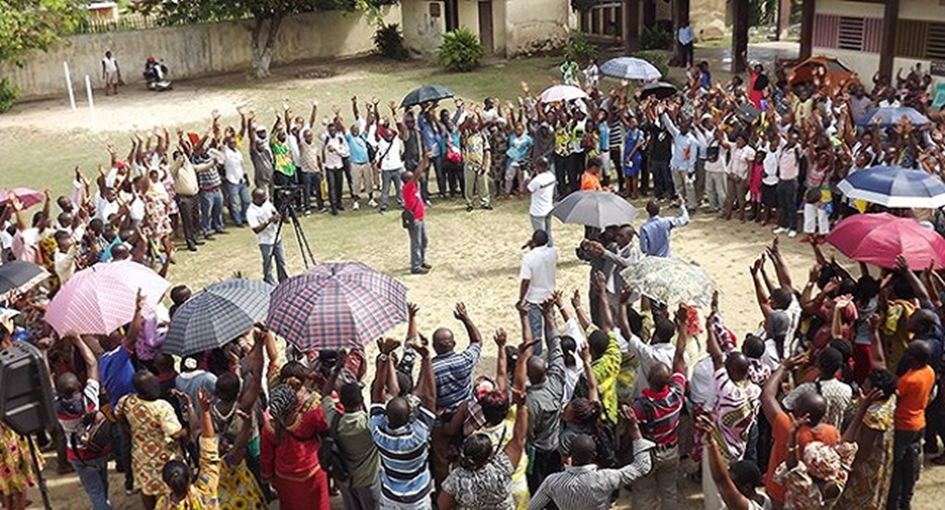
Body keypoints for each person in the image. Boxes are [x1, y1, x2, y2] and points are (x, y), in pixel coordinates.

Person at [527, 415, 655, 510]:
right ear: (594, 455)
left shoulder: (552, 481)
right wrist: (635, 431)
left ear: (571, 455)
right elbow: (642, 466)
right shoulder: (606, 478)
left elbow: (532, 507)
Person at [369, 337, 437, 509]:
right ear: (410, 417)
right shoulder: (418, 435)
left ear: (386, 416)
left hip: (390, 497)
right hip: (417, 499)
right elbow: (430, 398)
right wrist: (426, 358)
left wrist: (384, 356)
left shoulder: (378, 432)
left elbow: (377, 395)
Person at [115, 370, 189, 510]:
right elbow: (175, 433)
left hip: (141, 453)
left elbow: (118, 415)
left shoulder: (126, 401)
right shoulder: (161, 407)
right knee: (169, 486)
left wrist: (130, 430)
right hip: (164, 455)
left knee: (146, 487)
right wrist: (186, 431)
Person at [55, 334, 112, 510]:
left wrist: (42, 352)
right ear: (79, 385)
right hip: (100, 447)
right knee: (102, 479)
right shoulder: (90, 398)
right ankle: (104, 504)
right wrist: (78, 340)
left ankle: (101, 505)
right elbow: (92, 363)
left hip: (78, 455)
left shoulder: (56, 407)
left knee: (94, 491)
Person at [260, 382, 331, 510]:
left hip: (284, 477)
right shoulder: (310, 418)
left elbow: (266, 456)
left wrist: (268, 477)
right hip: (312, 471)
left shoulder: (269, 428)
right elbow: (328, 425)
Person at [887, 340, 935, 510]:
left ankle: (893, 503)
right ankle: (906, 501)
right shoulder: (929, 371)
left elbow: (895, 398)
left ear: (914, 359)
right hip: (919, 423)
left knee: (897, 468)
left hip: (904, 426)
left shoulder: (908, 380)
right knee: (911, 466)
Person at [153, 389, 220, 510]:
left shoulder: (162, 506)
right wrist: (205, 411)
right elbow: (209, 453)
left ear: (166, 484)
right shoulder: (206, 489)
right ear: (190, 473)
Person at [518, 230, 557, 349]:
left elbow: (526, 280)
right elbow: (543, 254)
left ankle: (537, 359)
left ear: (533, 241)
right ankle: (554, 357)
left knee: (535, 332)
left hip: (534, 298)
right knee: (551, 330)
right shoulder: (553, 253)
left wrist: (521, 299)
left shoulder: (528, 258)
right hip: (549, 296)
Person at [245, 188, 287, 285]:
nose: (265, 199)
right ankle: (269, 282)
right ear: (256, 199)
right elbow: (256, 229)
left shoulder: (267, 204)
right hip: (265, 241)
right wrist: (269, 221)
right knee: (268, 263)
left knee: (281, 261)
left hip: (276, 237)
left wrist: (277, 218)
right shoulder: (251, 212)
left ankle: (284, 280)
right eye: (263, 198)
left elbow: (274, 214)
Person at [403, 153, 430, 274]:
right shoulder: (407, 187)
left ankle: (421, 260)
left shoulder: (413, 187)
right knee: (416, 242)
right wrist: (424, 158)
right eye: (412, 177)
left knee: (424, 240)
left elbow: (420, 172)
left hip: (420, 218)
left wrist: (425, 161)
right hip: (415, 219)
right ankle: (415, 266)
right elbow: (418, 173)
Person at [527, 158, 556, 247]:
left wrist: (529, 176)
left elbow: (525, 189)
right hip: (548, 208)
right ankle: (550, 251)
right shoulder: (551, 176)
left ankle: (542, 255)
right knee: (548, 232)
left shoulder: (537, 180)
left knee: (540, 237)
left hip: (537, 211)